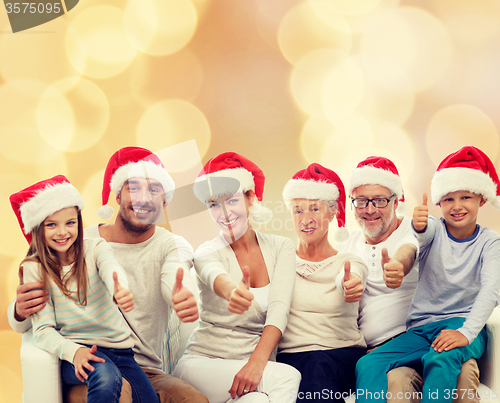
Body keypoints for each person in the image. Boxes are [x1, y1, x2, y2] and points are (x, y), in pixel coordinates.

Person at [8, 147, 208, 403]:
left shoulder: (171, 245)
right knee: (117, 391)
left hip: (143, 369)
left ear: (165, 200)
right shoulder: (77, 241)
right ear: (117, 194)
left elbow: (174, 271)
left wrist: (178, 293)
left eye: (154, 189)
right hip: (87, 364)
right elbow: (24, 323)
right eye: (133, 188)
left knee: (194, 400)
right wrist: (20, 309)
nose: (144, 198)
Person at [355, 146, 500, 402]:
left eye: (465, 197)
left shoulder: (491, 243)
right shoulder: (433, 226)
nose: (456, 206)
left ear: (482, 199)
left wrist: (466, 333)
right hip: (422, 329)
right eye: (448, 199)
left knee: (440, 358)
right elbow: (416, 241)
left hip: (463, 325)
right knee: (368, 364)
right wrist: (413, 238)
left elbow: (491, 291)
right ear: (439, 202)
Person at [9, 175, 158, 403]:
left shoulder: (95, 247)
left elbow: (111, 268)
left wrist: (119, 286)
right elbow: (43, 330)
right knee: (105, 377)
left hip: (122, 352)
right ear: (38, 229)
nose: (62, 232)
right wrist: (74, 352)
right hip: (77, 351)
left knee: (149, 399)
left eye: (70, 222)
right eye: (51, 225)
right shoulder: (35, 268)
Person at [173, 152, 301, 403]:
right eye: (213, 204)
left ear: (250, 197)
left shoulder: (280, 247)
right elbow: (214, 275)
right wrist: (232, 290)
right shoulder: (207, 252)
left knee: (259, 401)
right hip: (203, 365)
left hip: (250, 368)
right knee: (287, 377)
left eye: (231, 201)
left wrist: (255, 363)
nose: (223, 213)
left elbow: (279, 310)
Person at [276, 163, 368, 402]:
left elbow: (351, 277)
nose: (306, 219)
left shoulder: (349, 261)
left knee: (317, 366)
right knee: (301, 373)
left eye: (314, 209)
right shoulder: (280, 263)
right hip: (292, 357)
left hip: (341, 354)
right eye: (298, 211)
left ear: (332, 213)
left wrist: (349, 284)